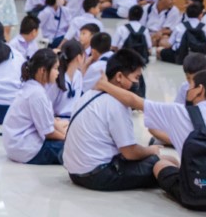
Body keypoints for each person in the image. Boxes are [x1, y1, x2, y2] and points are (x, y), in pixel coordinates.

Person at [98, 70, 206, 212]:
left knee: (160, 164)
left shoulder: (177, 112)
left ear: (199, 90)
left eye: (190, 85)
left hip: (192, 195)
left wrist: (103, 84)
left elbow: (134, 101)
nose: (187, 89)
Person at [62, 50, 161, 191]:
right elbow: (130, 152)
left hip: (74, 173)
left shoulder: (89, 94)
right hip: (98, 175)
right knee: (161, 163)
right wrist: (151, 150)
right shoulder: (117, 104)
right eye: (136, 77)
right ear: (119, 76)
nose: (138, 83)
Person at [1, 48, 67, 164]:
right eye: (55, 68)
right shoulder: (37, 94)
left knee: (65, 127)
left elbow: (48, 122)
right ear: (43, 70)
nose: (58, 73)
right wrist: (67, 138)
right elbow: (48, 132)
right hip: (27, 149)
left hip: (16, 145)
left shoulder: (32, 87)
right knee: (75, 148)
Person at [47, 39, 85, 119]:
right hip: (56, 120)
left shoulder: (78, 75)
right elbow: (47, 105)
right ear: (79, 57)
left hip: (72, 120)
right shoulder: (57, 76)